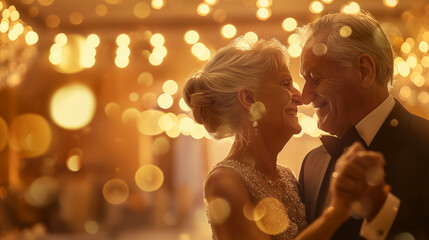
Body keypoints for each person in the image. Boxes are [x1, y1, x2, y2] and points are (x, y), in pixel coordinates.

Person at [182, 37, 386, 240]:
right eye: (285, 83)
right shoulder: (224, 182)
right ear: (249, 99)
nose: (300, 96)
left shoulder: (288, 178)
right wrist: (336, 213)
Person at [298, 11, 429, 240]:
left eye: (315, 77)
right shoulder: (311, 164)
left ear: (364, 71)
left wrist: (381, 211)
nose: (305, 97)